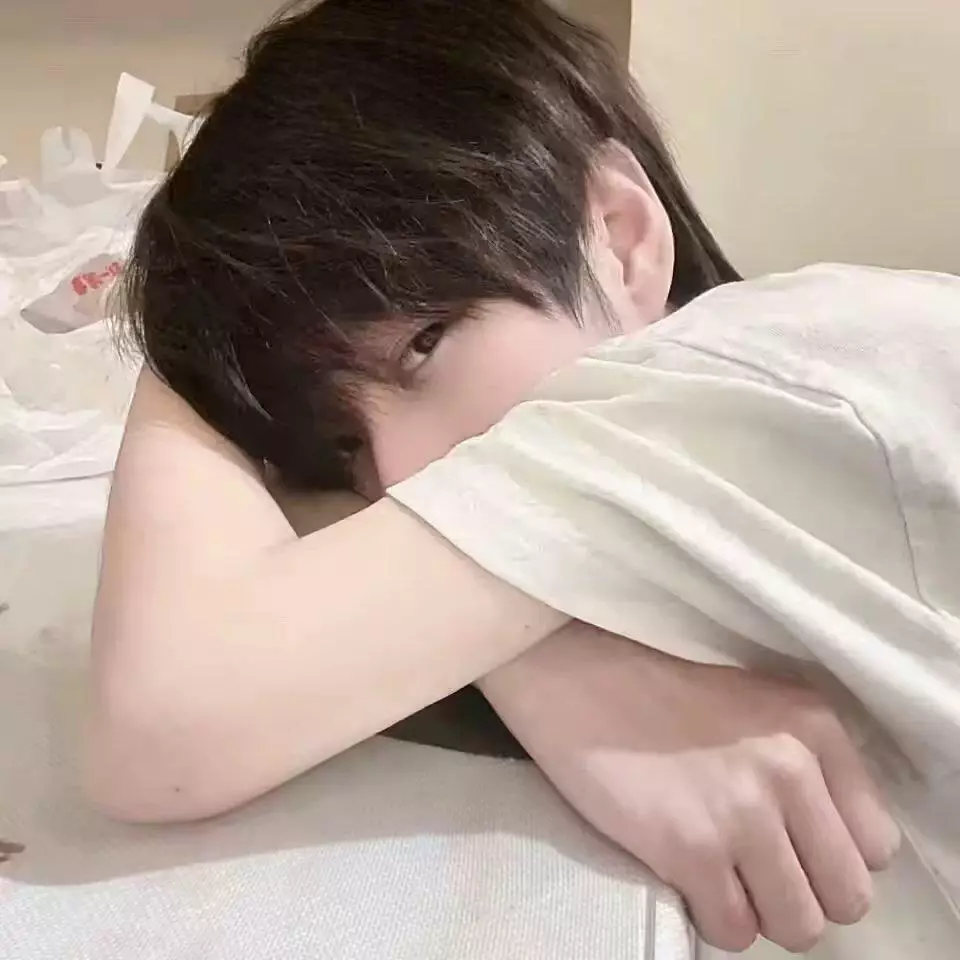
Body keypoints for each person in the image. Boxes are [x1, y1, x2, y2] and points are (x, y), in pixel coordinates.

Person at [88, 0, 904, 953]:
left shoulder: (776, 389)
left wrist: (195, 320)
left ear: (621, 236)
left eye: (425, 344)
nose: (395, 476)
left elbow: (162, 712)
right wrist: (550, 666)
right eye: (344, 450)